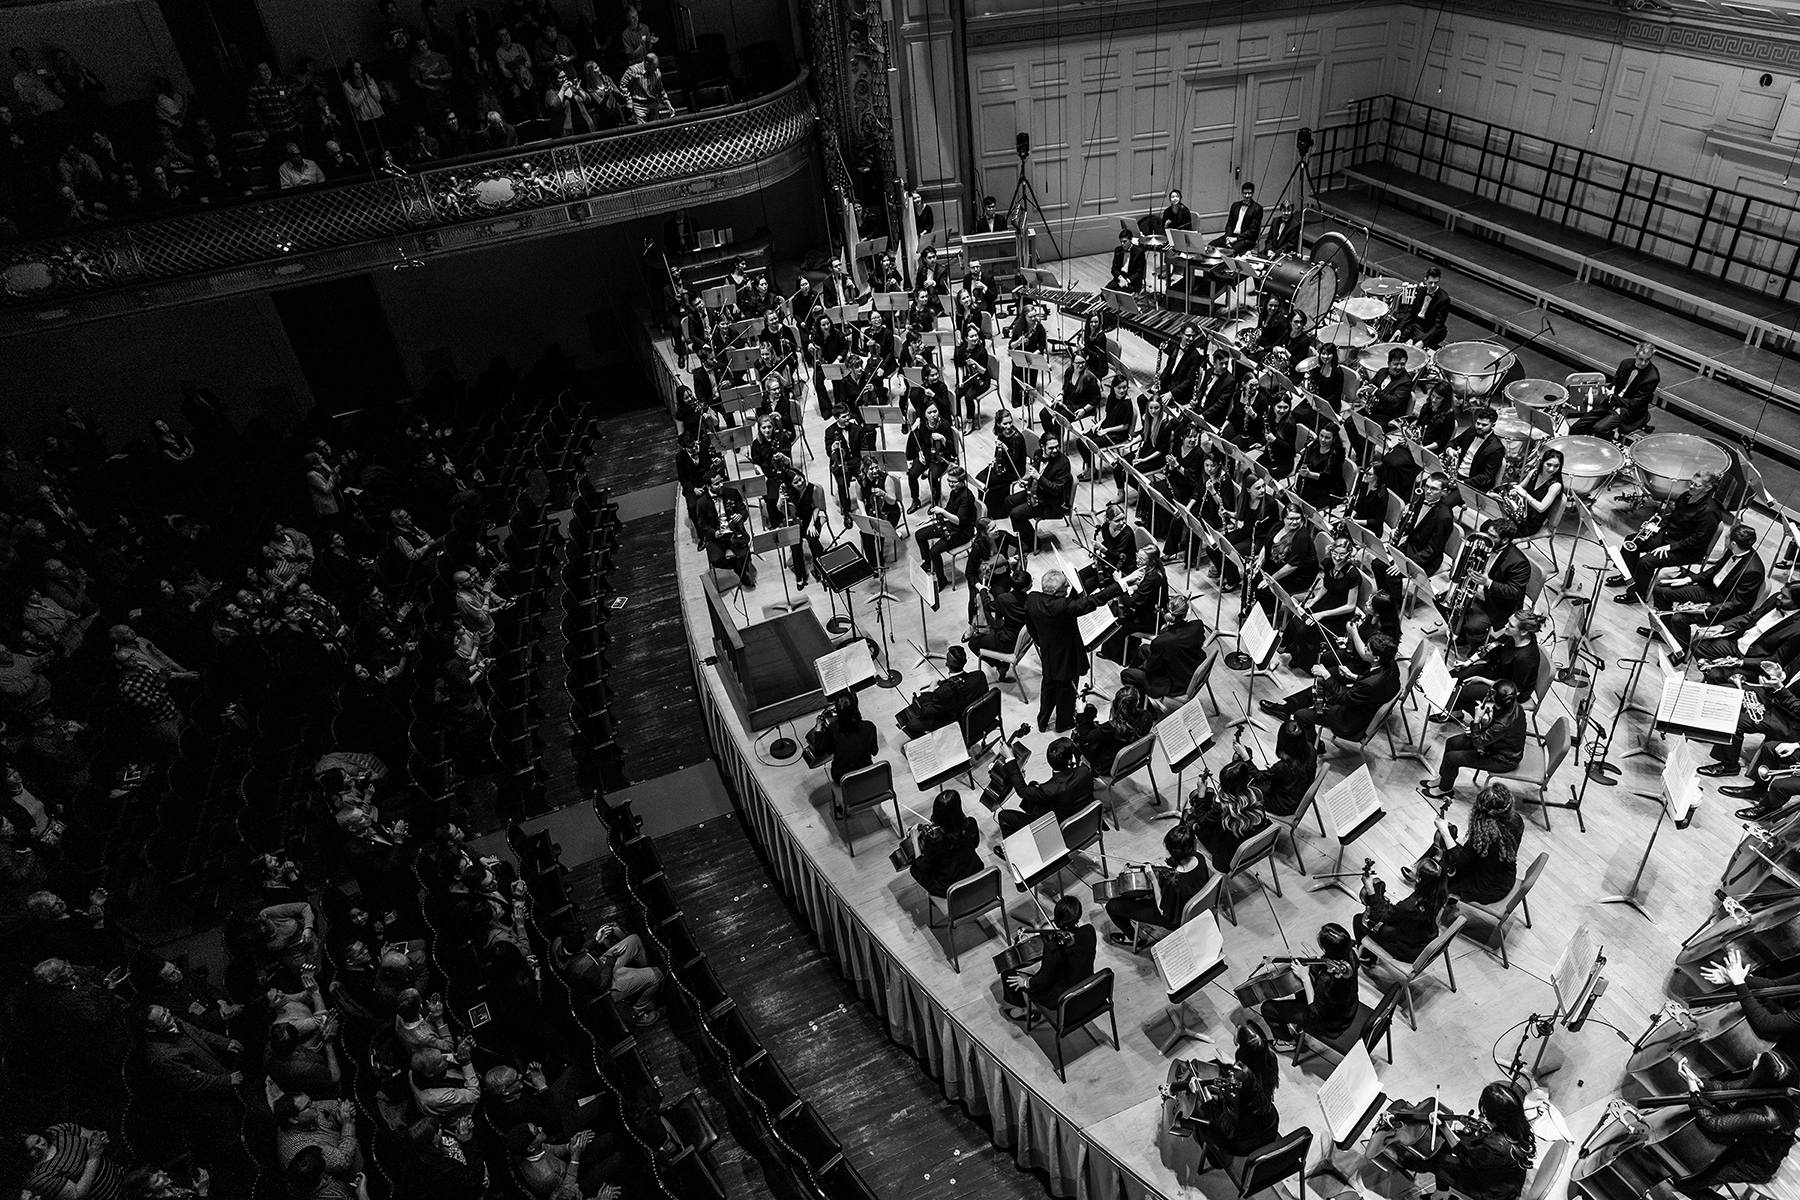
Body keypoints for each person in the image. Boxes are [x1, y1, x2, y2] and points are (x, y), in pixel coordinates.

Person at [1609, 468, 1727, 604]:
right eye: (1691, 483)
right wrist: (1655, 525)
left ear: (1708, 488)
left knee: (1646, 562)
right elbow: (1673, 516)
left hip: (1687, 549)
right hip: (1669, 536)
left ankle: (1637, 594)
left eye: (1696, 485)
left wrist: (1670, 547)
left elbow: (1699, 540)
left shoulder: (1708, 512)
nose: (1692, 486)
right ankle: (1628, 577)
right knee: (1631, 541)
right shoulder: (1686, 497)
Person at [1024, 569, 1121, 732]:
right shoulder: (1063, 607)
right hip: (1067, 655)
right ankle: (1064, 723)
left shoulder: (1032, 599)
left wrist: (1041, 642)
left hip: (1048, 652)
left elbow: (1030, 626)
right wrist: (1120, 585)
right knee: (1066, 691)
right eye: (1065, 585)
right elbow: (1094, 601)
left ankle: (1043, 720)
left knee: (1048, 686)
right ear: (1057, 591)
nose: (1068, 586)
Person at [1410, 1081, 1538, 1200]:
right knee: (1449, 1142)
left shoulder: (1497, 1146)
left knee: (1435, 1161)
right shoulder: (1517, 1125)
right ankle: (1442, 1193)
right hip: (1504, 1174)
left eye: (1486, 1113)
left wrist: (1444, 1128)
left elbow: (1466, 1158)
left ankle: (1438, 1193)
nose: (1482, 1116)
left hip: (1493, 1190)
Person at [1262, 632, 1401, 741]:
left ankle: (1313, 746)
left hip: (1350, 721)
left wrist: (1327, 675)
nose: (1364, 649)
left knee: (1301, 716)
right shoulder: (1391, 665)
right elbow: (1372, 685)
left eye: (1368, 649)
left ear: (1376, 658)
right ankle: (1286, 709)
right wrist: (1353, 676)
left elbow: (1344, 699)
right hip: (1363, 703)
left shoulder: (1369, 684)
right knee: (1318, 689)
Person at [1168, 1024, 1282, 1158]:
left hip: (1243, 1143)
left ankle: (1214, 1158)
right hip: (1269, 1123)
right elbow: (1253, 1078)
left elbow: (1228, 1129)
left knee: (1201, 1118)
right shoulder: (1270, 1059)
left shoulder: (1233, 1083)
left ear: (1240, 1048)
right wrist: (1235, 1063)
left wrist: (1203, 1094)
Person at [1406, 783, 1523, 906]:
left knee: (1440, 879)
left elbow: (1461, 859)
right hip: (1504, 877)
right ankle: (1418, 867)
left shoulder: (1484, 834)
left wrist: (1445, 831)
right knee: (1449, 847)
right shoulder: (1516, 820)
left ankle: (1420, 883)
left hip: (1485, 888)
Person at [1655, 523, 1765, 645]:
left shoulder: (1753, 571)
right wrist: (1690, 579)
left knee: (1679, 618)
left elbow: (1736, 604)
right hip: (1710, 589)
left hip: (1722, 605)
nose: (1725, 540)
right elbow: (1714, 570)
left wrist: (1705, 610)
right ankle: (1664, 632)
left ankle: (1680, 649)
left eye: (1726, 538)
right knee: (1661, 590)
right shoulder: (1734, 549)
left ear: (1733, 543)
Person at [1104, 823, 1210, 946]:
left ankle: (1134, 939)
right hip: (1196, 905)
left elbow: (1162, 910)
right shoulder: (1199, 858)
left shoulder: (1172, 881)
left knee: (1112, 906)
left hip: (1174, 918)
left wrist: (1154, 880)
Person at [1419, 680, 1525, 800]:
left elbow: (1479, 742)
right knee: (1451, 743)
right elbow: (1493, 731)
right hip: (1495, 744)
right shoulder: (1514, 706)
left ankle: (1444, 789)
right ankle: (1443, 779)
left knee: (1451, 758)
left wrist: (1476, 720)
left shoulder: (1504, 723)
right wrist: (1478, 727)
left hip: (1502, 758)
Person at [1259, 923, 1360, 1048]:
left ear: (1325, 949)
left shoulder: (1326, 980)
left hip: (1330, 1024)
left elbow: (1314, 1012)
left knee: (1268, 1008)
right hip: (1347, 1009)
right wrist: (1319, 960)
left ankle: (1286, 1043)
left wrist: (1305, 978)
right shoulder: (1350, 956)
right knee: (1305, 978)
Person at [1001, 894, 1098, 1019]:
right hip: (1086, 986)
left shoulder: (1053, 947)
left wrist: (1025, 982)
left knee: (1007, 975)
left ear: (1057, 919)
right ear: (1078, 915)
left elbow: (1042, 981)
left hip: (1060, 997)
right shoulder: (1089, 931)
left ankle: (1023, 1011)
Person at [985, 735, 1093, 836]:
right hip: (1085, 824)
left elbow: (1022, 790)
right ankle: (1031, 819)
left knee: (1004, 816)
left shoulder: (1049, 790)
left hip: (1055, 831)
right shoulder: (1084, 772)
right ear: (1070, 760)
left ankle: (1019, 849)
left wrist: (1010, 758)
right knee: (1033, 786)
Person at [1356, 856, 1453, 963]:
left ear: (1419, 879)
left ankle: (1367, 959)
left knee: (1359, 920)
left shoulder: (1409, 906)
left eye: (1415, 867)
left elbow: (1381, 917)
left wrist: (1370, 890)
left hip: (1407, 950)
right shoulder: (1439, 894)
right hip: (1425, 938)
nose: (1412, 865)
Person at [1451, 518, 1531, 649]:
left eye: (1492, 536)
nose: (1486, 538)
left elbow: (1514, 592)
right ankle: (1461, 635)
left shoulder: (1518, 562)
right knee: (1445, 603)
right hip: (1473, 592)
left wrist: (1488, 582)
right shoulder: (1484, 545)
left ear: (1505, 540)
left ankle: (1477, 649)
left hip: (1494, 603)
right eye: (1487, 533)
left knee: (1474, 626)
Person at [1120, 593, 1209, 699]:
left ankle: (1146, 708)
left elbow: (1151, 667)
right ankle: (1137, 683)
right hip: (1190, 667)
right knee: (1143, 649)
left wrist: (1144, 666)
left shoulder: (1162, 641)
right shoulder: (1198, 626)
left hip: (1177, 684)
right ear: (1185, 614)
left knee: (1126, 674)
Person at [1188, 758, 1271, 870]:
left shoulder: (1221, 807)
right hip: (1253, 846)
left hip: (1227, 858)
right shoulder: (1256, 794)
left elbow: (1201, 822)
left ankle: (1186, 861)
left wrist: (1201, 793)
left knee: (1189, 817)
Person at [1572, 341, 1660, 440]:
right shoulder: (1625, 363)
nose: (1643, 363)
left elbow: (1636, 403)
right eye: (1641, 359)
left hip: (1629, 410)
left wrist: (1612, 397)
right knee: (1578, 427)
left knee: (1599, 428)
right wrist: (1606, 391)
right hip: (1612, 401)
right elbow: (1614, 383)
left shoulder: (1652, 377)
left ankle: (1608, 445)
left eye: (1647, 360)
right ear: (1635, 355)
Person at [897, 645, 988, 738]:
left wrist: (931, 690)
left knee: (910, 723)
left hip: (956, 723)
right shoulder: (979, 676)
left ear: (947, 664)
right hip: (976, 720)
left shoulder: (943, 692)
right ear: (965, 662)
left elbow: (926, 713)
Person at [908, 789, 983, 897]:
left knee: (915, 870)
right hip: (975, 873)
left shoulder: (935, 838)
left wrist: (915, 840)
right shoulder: (970, 823)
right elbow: (975, 844)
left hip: (949, 888)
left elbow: (923, 867)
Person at [1009, 431, 1074, 555]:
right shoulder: (1038, 454)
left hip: (1051, 503)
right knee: (1009, 501)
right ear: (1042, 447)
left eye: (1057, 447)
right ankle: (1025, 536)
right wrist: (1027, 483)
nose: (1055, 450)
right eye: (1051, 448)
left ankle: (1034, 543)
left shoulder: (1063, 462)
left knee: (1015, 514)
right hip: (1036, 493)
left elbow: (1056, 489)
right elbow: (1034, 475)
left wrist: (1039, 478)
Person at [23, 1124, 126, 1200]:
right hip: (107, 1195)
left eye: (38, 1141)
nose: (40, 1148)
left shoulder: (56, 1132)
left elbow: (91, 1135)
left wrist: (99, 1138)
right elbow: (77, 1195)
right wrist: (94, 1157)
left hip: (121, 1174)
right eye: (31, 1150)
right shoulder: (38, 1176)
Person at [914, 464, 977, 588]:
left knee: (934, 551)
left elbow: (958, 520)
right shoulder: (955, 491)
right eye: (948, 481)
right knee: (919, 535)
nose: (950, 484)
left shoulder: (967, 497)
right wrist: (930, 520)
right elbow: (948, 510)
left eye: (954, 482)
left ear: (962, 481)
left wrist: (942, 512)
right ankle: (927, 563)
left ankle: (941, 579)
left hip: (963, 532)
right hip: (950, 525)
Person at [1073, 684, 1153, 774]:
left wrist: (1081, 713)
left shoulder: (1113, 727)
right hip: (1135, 758)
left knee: (1077, 739)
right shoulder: (1147, 717)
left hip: (1108, 766)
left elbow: (1086, 737)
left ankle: (1081, 775)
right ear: (1137, 702)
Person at [804, 690, 878, 780]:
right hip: (866, 773)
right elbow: (874, 752)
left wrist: (818, 729)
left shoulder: (833, 728)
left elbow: (819, 752)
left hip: (843, 778)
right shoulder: (869, 726)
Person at [1256, 719, 1320, 817]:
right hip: (1298, 795)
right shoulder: (1311, 749)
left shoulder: (1284, 766)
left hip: (1283, 804)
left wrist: (1246, 759)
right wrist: (1275, 772)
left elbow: (1259, 776)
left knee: (1246, 788)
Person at [1505, 449, 1564, 537]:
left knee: (1501, 533)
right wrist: (1515, 491)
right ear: (1542, 462)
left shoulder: (1556, 486)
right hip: (1519, 515)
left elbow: (1541, 508)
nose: (1551, 469)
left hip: (1531, 523)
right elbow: (1520, 487)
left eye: (1556, 466)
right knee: (1488, 525)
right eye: (1549, 464)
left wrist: (1525, 495)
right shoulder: (1533, 473)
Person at [1392, 266, 1451, 348]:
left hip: (1427, 329)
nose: (1433, 285)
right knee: (1395, 341)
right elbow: (1410, 312)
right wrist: (1399, 328)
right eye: (1430, 282)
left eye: (1436, 282)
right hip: (1414, 323)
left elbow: (1438, 326)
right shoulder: (1421, 291)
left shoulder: (1444, 299)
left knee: (1413, 349)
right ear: (1425, 280)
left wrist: (1422, 341)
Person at [1213, 182, 1262, 252]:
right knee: (1210, 246)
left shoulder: (1257, 209)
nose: (1247, 196)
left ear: (1253, 193)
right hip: (1231, 235)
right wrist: (1228, 237)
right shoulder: (1235, 205)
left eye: (1249, 193)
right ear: (1241, 193)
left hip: (1246, 239)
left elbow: (1252, 231)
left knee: (1229, 252)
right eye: (1245, 193)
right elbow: (1229, 224)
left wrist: (1236, 239)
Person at [1109, 228, 1146, 292]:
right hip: (1120, 279)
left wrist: (1127, 281)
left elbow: (1138, 273)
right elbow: (1114, 269)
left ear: (1130, 239)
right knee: (1105, 294)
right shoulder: (1118, 250)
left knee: (1118, 295)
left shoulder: (1139, 252)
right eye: (1121, 242)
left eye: (1124, 241)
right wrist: (1120, 278)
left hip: (1132, 282)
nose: (1122, 244)